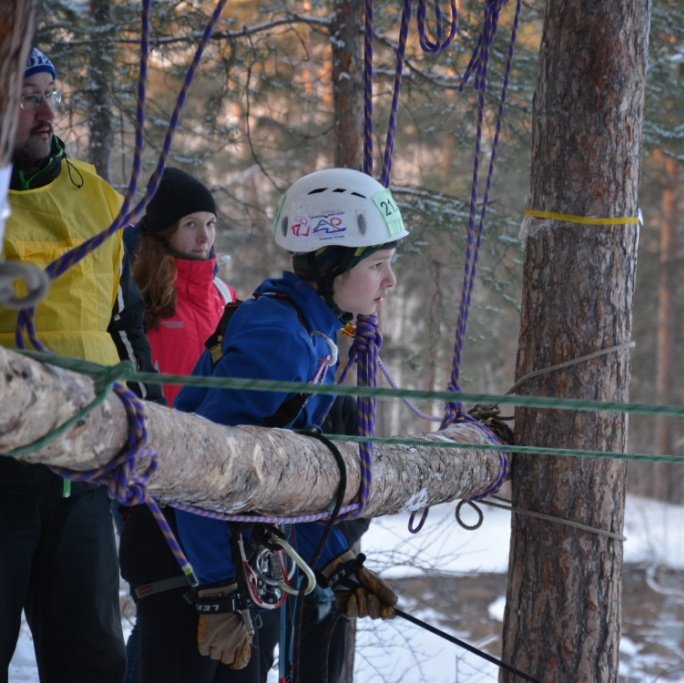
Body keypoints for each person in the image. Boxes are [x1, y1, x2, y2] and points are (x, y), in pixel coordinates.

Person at [120, 167, 404, 682]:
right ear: (333, 264)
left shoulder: (310, 333)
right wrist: (215, 592)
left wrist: (335, 559)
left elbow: (283, 473)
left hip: (224, 555)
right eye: (380, 264)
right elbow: (209, 473)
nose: (390, 280)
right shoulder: (281, 341)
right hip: (186, 556)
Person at [0, 47, 164, 683]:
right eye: (25, 97)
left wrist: (148, 427)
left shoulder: (99, 197)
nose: (46, 113)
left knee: (93, 658)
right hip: (3, 476)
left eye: (51, 94)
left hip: (84, 476)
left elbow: (127, 324)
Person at [131, 167, 237, 406]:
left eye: (210, 224)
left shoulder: (225, 295)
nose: (204, 237)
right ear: (165, 232)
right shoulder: (138, 293)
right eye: (191, 224)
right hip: (159, 434)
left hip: (223, 436)